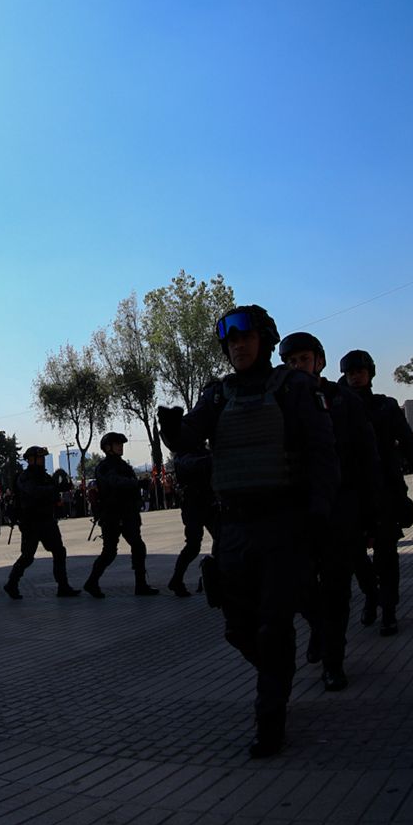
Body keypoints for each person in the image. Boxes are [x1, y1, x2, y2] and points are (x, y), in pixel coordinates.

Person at [158, 305, 339, 758]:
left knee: (274, 626)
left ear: (265, 340)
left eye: (246, 338)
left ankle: (270, 719)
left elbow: (323, 454)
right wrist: (171, 429)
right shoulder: (218, 394)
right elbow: (189, 437)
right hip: (234, 528)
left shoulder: (294, 387)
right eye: (231, 341)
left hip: (283, 524)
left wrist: (319, 513)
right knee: (238, 629)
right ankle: (279, 673)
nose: (238, 346)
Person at [279, 332, 378, 692]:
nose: (298, 367)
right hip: (299, 509)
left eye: (304, 360)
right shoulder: (280, 402)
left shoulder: (343, 400)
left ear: (319, 361)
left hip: (340, 507)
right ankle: (319, 628)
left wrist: (369, 510)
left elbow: (367, 456)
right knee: (299, 585)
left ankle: (333, 662)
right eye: (291, 362)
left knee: (337, 588)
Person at [340, 349, 413, 638]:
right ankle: (371, 594)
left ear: (370, 373)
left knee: (386, 554)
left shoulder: (385, 406)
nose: (355, 377)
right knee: (354, 554)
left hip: (385, 489)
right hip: (352, 492)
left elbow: (408, 440)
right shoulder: (339, 408)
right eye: (350, 373)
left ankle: (388, 610)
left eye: (360, 372)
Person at [83, 432, 159, 598]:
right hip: (112, 515)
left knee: (138, 546)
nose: (120, 447)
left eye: (121, 444)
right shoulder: (104, 467)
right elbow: (114, 482)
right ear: (107, 448)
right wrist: (136, 483)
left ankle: (141, 585)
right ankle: (91, 582)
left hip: (128, 513)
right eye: (117, 444)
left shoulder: (123, 465)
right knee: (110, 552)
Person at [2, 447, 79, 600]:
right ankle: (12, 583)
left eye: (43, 458)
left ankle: (63, 586)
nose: (43, 461)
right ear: (31, 459)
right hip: (31, 522)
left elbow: (52, 492)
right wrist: (53, 488)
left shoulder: (45, 476)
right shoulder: (24, 477)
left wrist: (63, 486)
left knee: (59, 551)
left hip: (47, 520)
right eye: (40, 458)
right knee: (27, 556)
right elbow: (34, 491)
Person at [168, 450, 216, 597]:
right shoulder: (183, 456)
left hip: (207, 503)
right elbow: (194, 464)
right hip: (194, 505)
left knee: (221, 539)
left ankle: (218, 577)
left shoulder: (203, 452)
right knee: (193, 546)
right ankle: (177, 579)